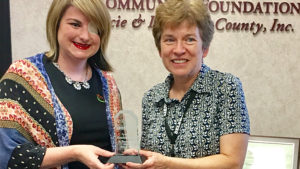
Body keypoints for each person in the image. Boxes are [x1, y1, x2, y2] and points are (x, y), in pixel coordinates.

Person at [124, 0, 250, 168]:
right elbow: (151, 161)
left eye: (189, 39)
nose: (178, 49)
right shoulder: (152, 98)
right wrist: (135, 161)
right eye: (169, 40)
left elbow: (232, 163)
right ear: (160, 49)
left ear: (204, 48)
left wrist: (167, 163)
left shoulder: (226, 87)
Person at [0, 0, 122, 168]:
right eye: (75, 24)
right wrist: (75, 153)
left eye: (94, 28)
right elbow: (8, 154)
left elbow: (116, 148)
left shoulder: (108, 83)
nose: (85, 35)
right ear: (56, 24)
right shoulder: (22, 76)